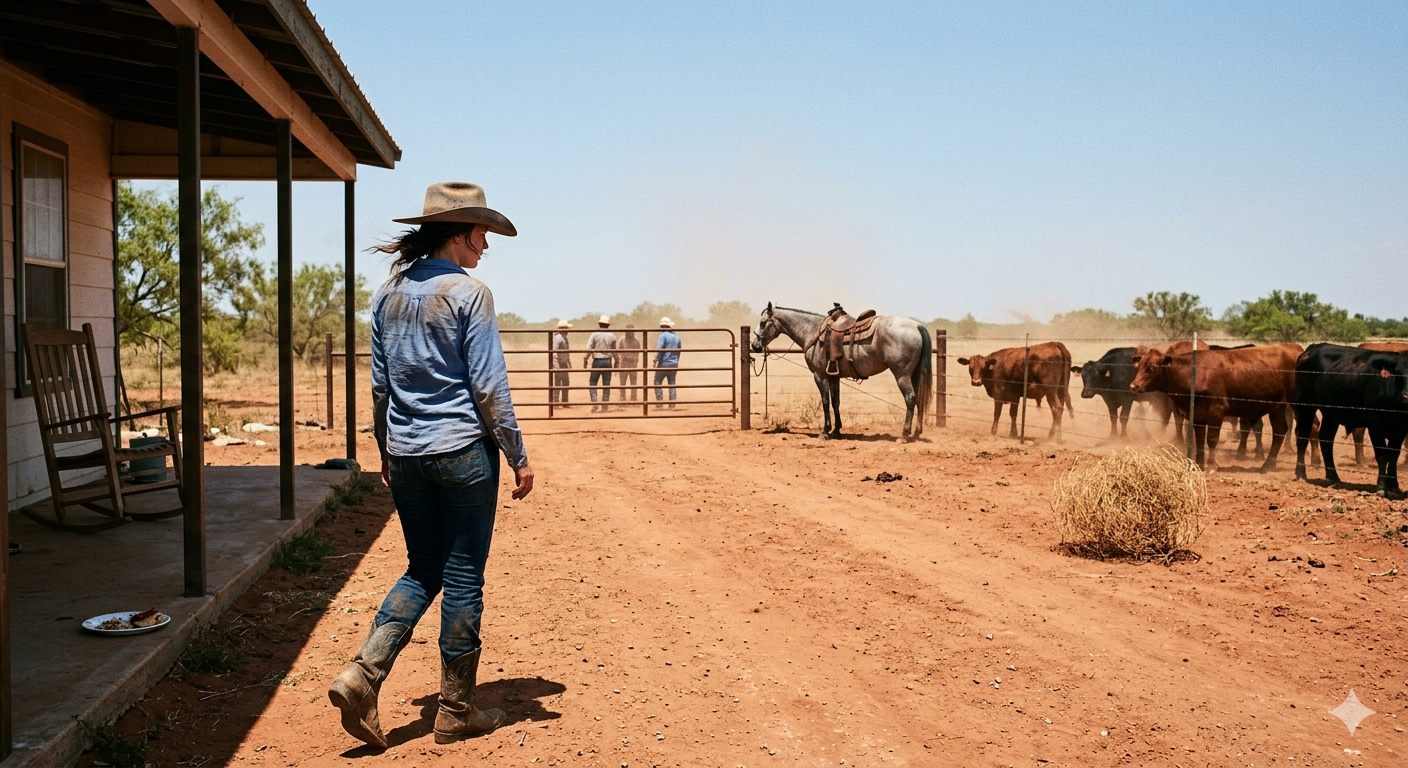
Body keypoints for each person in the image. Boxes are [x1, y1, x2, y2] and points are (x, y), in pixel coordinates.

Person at [330, 182, 534, 747]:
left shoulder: (389, 292)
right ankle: (455, 709)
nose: (486, 247)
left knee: (423, 567)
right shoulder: (471, 294)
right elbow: (489, 388)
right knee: (464, 572)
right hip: (464, 450)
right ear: (463, 233)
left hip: (407, 451)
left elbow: (379, 386)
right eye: (483, 235)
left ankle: (363, 674)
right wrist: (517, 455)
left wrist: (384, 451)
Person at [583, 315, 616, 412]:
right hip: (607, 361)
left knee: (593, 382)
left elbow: (589, 348)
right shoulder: (612, 335)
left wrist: (585, 359)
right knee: (606, 384)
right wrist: (617, 361)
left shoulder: (594, 334)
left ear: (599, 324)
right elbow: (615, 350)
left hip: (597, 361)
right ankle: (604, 406)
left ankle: (595, 402)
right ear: (608, 325)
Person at [653, 317, 682, 407]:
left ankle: (659, 402)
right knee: (672, 382)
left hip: (664, 363)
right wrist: (676, 361)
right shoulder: (677, 337)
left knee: (657, 381)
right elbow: (679, 350)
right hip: (674, 363)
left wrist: (655, 359)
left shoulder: (662, 335)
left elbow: (659, 348)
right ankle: (672, 403)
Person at [551, 320, 572, 406]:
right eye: (566, 328)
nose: (568, 330)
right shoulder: (558, 338)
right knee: (558, 383)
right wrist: (556, 364)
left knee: (565, 382)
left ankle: (564, 401)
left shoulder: (563, 337)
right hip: (559, 364)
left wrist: (568, 362)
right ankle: (556, 401)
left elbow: (566, 351)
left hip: (563, 363)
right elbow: (554, 352)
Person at [617, 325, 641, 401]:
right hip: (624, 362)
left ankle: (633, 398)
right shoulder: (622, 339)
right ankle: (622, 397)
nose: (630, 333)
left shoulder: (636, 340)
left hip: (633, 363)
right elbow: (618, 350)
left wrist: (635, 359)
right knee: (622, 381)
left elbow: (638, 350)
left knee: (633, 381)